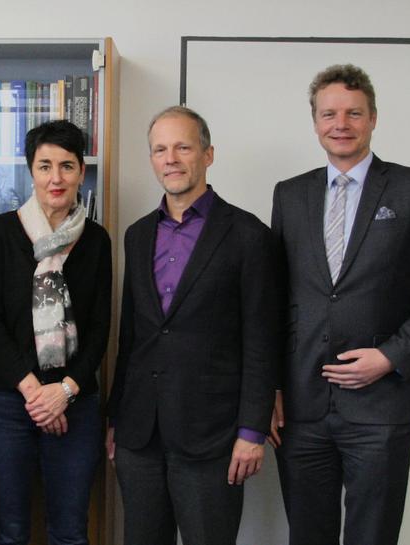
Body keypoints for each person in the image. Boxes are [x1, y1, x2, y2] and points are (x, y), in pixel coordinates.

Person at [269, 64, 410, 545]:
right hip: (302, 406)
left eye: (354, 113)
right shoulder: (290, 195)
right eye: (329, 113)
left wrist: (391, 356)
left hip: (381, 410)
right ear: (314, 122)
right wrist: (269, 389)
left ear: (373, 118)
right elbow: (275, 300)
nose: (341, 123)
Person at [105, 106, 278, 545]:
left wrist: (251, 431)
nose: (171, 159)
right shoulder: (138, 234)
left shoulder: (248, 234)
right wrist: (116, 419)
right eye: (160, 149)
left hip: (213, 438)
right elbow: (133, 336)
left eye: (183, 146)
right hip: (140, 434)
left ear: (208, 154)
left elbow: (262, 340)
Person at [0, 120, 111, 545]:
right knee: (9, 531)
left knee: (70, 532)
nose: (56, 178)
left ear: (81, 173)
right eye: (45, 165)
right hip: (5, 402)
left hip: (76, 402)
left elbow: (101, 328)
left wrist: (64, 392)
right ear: (31, 171)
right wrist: (37, 393)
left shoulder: (97, 240)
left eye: (67, 166)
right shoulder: (0, 233)